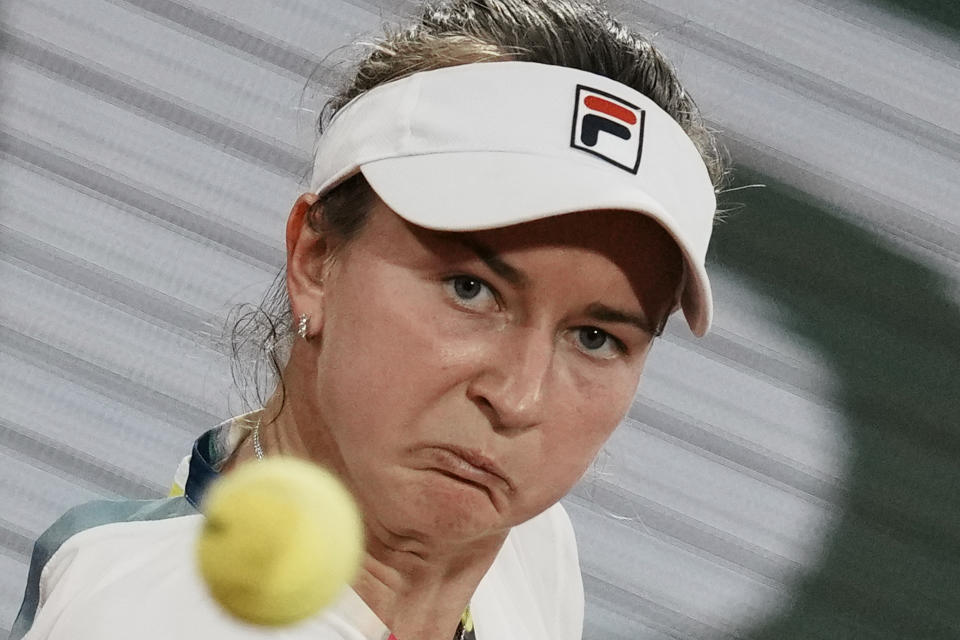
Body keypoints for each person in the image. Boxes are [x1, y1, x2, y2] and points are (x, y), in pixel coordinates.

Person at [9, 0, 726, 638]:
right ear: (316, 260)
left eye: (595, 337)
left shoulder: (527, 551)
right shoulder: (149, 617)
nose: (518, 399)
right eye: (471, 289)